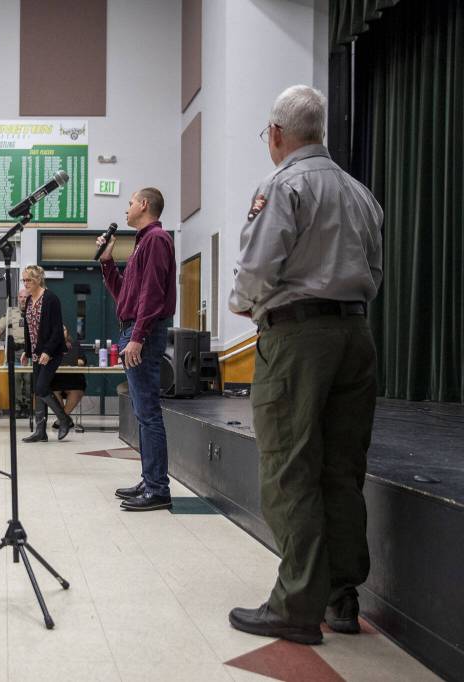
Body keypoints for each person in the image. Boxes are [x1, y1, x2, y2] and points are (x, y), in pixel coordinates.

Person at [227, 85, 383, 645]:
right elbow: (375, 268)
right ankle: (342, 598)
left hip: (297, 341)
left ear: (275, 133)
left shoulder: (282, 185)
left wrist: (243, 305)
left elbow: (256, 271)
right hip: (355, 335)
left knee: (290, 467)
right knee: (343, 470)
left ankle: (296, 605)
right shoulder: (361, 194)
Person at [97, 187, 176, 512]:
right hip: (132, 328)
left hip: (143, 331)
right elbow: (125, 297)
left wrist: (139, 336)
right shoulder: (143, 243)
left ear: (144, 205)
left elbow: (153, 295)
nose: (126, 209)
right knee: (144, 414)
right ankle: (150, 479)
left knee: (148, 413)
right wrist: (106, 264)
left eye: (130, 203)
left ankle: (158, 487)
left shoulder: (156, 239)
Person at [19, 265, 72, 442]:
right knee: (38, 391)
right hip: (35, 353)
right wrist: (27, 351)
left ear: (38, 280)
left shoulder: (50, 299)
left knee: (41, 387)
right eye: (24, 280)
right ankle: (40, 431)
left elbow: (57, 330)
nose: (25, 283)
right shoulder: (27, 301)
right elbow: (28, 329)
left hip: (51, 352)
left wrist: (48, 352)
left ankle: (64, 420)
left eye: (29, 280)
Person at [50, 325, 87, 428]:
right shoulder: (50, 346)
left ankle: (62, 419)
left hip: (73, 380)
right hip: (55, 381)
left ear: (68, 332)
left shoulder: (75, 345)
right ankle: (65, 419)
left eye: (64, 330)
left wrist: (69, 361)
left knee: (76, 391)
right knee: (51, 392)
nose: (62, 332)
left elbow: (82, 361)